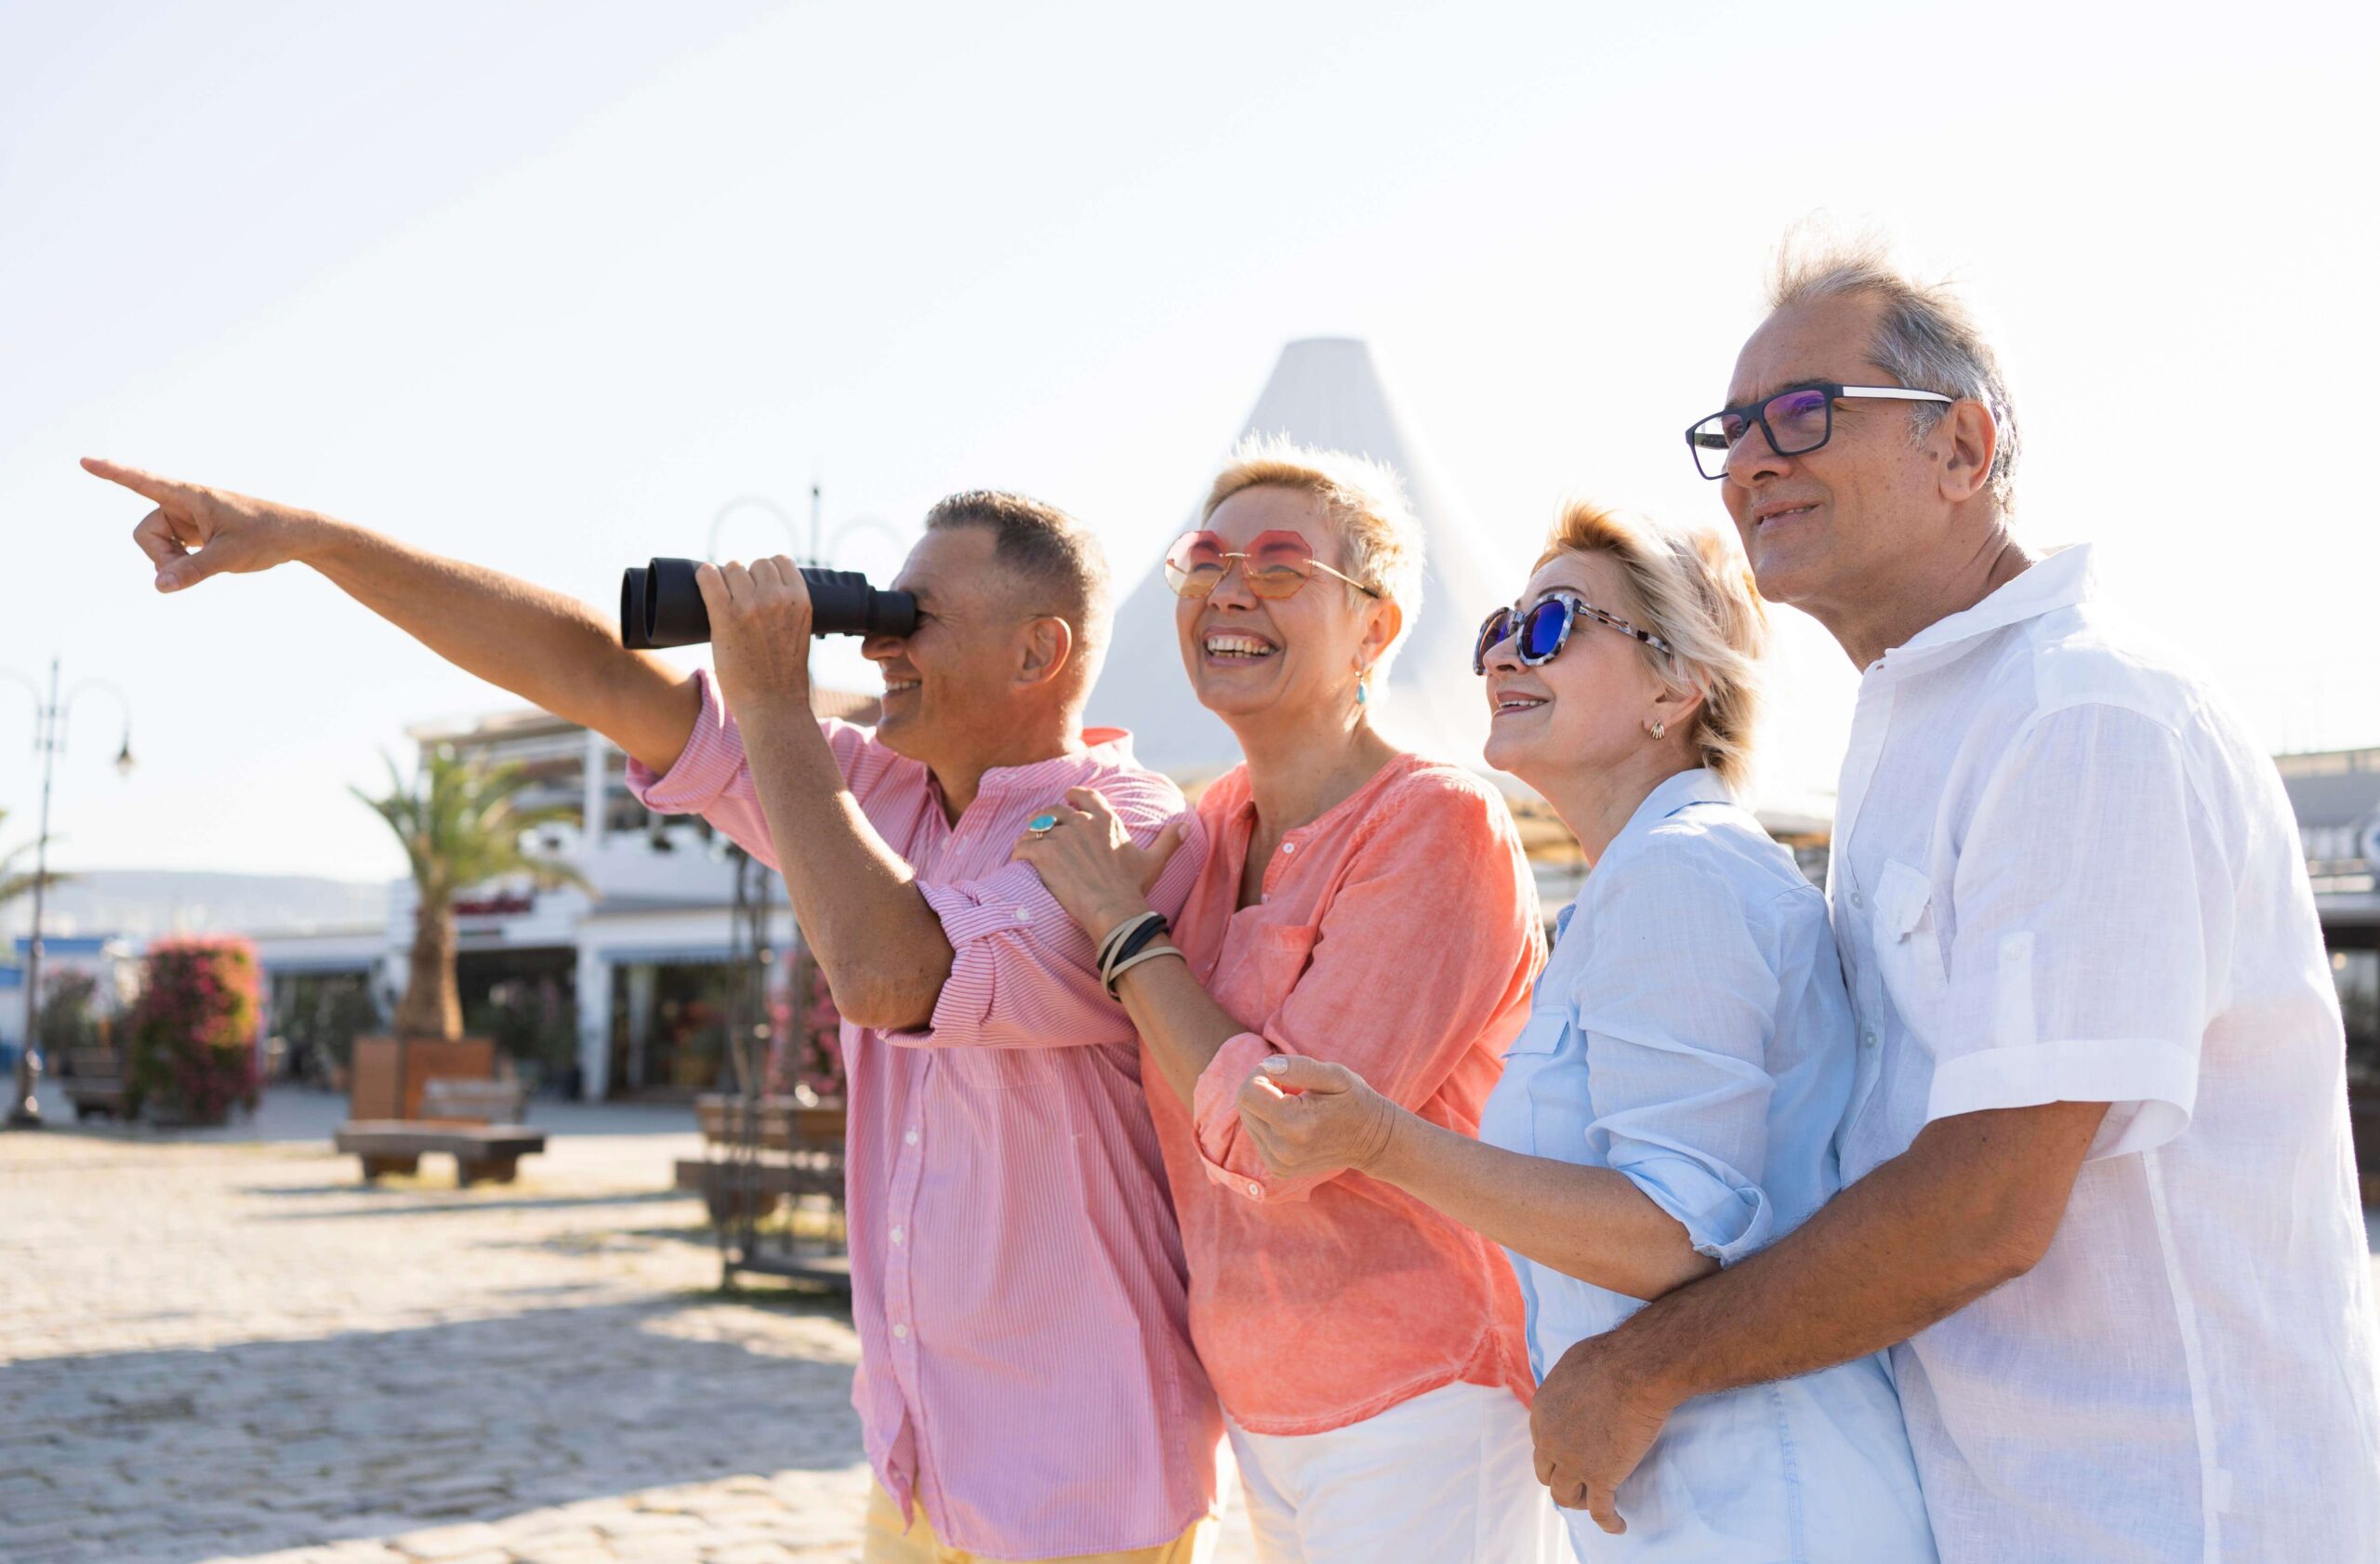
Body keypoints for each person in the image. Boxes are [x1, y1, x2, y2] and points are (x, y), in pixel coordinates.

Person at [82, 460, 1223, 1564]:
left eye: (913, 616)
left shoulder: (1119, 827)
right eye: (877, 610)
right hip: (925, 1457)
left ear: (1039, 650)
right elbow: (592, 672)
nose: (877, 641)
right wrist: (313, 540)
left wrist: (773, 702)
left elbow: (890, 978)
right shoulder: (879, 801)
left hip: (1085, 1474)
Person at [1527, 245, 2380, 1559]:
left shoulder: (2081, 715)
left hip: (2171, 1511)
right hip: (2004, 1501)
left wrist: (1643, 1365)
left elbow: (1987, 1198)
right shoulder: (1928, 719)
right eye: (1730, 430)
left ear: (1964, 446)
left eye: (1804, 412)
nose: (1753, 458)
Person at [1230, 499, 1935, 1561]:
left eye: (1555, 624)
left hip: (1763, 1505)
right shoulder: (1646, 881)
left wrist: (1383, 1143)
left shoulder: (1681, 872)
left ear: (1674, 685)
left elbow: (1673, 1231)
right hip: (1699, 1493)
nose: (1509, 652)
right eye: (1499, 630)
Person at [1015, 439, 1559, 1564]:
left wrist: (1126, 930)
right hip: (1255, 1400)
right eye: (1206, 561)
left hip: (1424, 1393)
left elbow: (1282, 1139)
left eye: (1277, 566)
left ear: (1375, 626)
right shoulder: (1208, 827)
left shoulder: (1438, 823)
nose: (1228, 589)